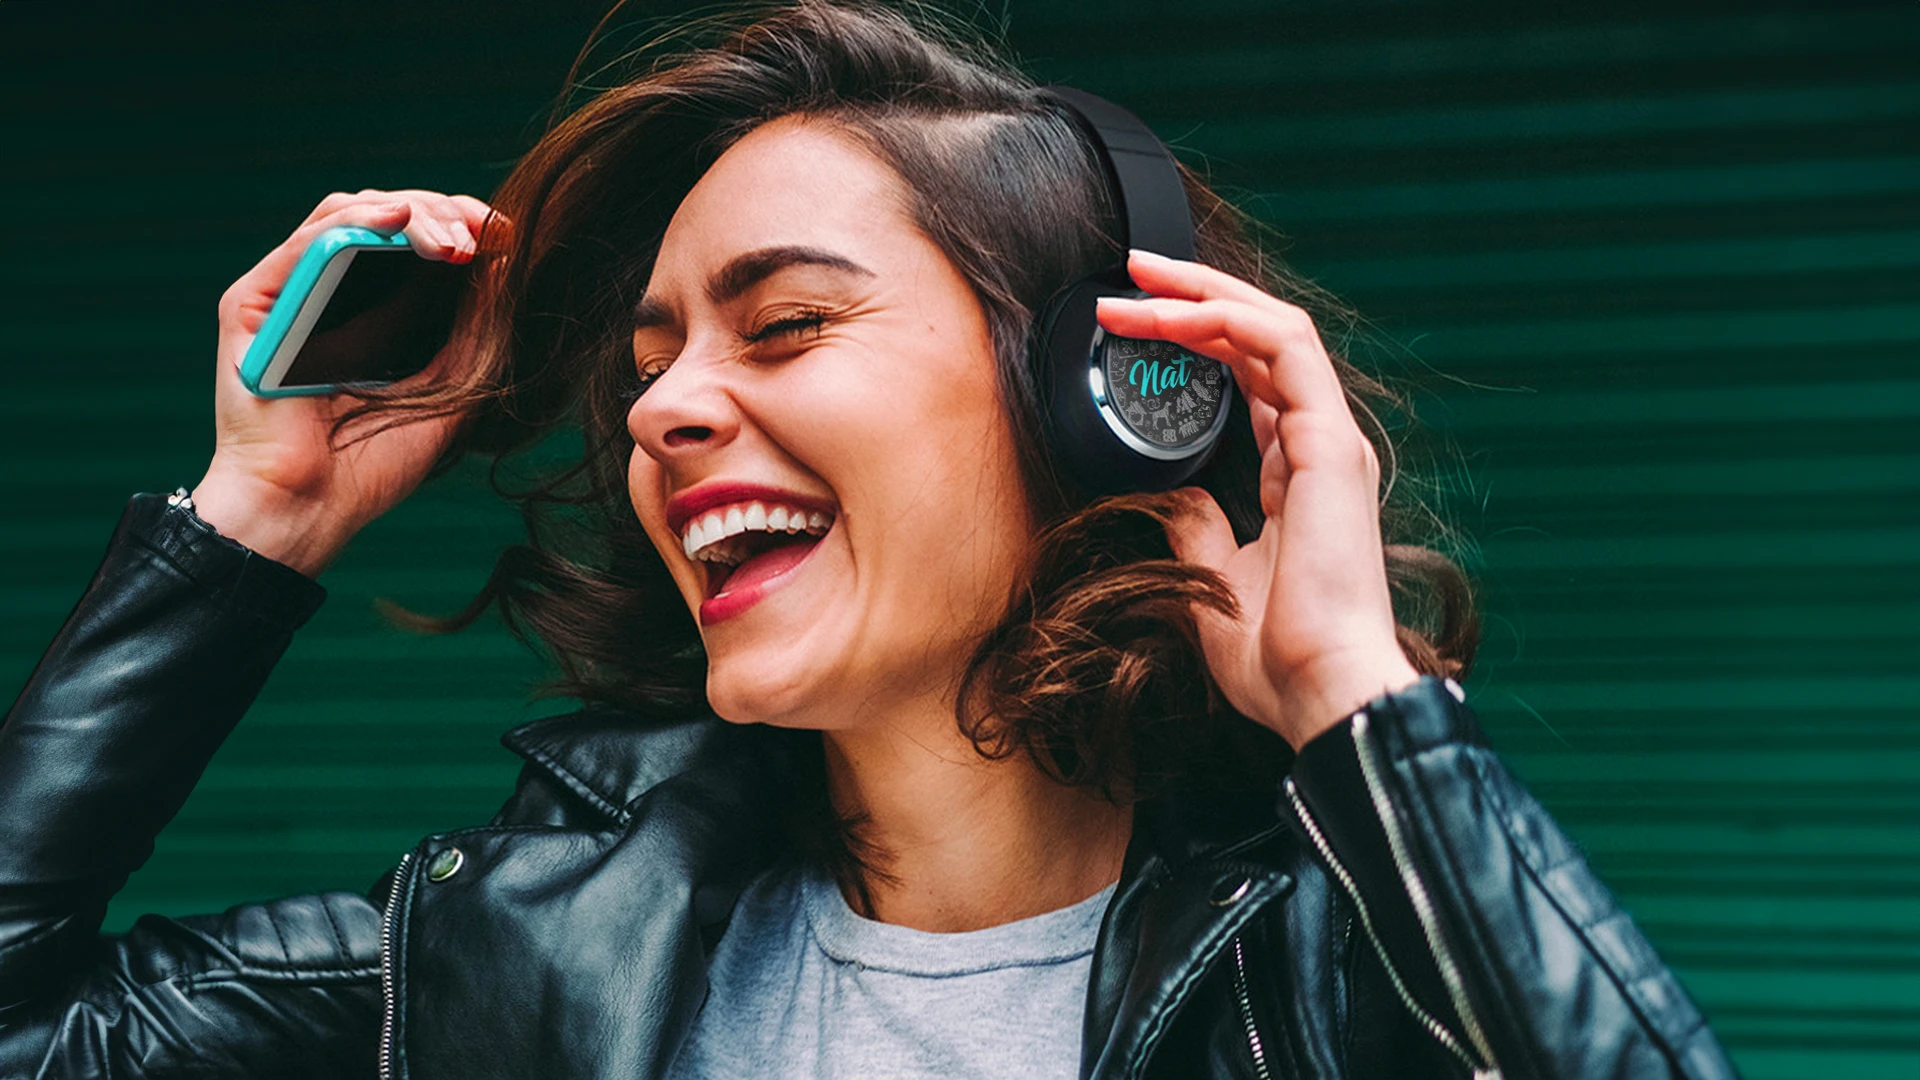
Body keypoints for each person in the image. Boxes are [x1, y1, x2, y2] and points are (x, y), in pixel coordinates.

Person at [0, 3, 1739, 1077]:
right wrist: (256, 522)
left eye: (784, 327)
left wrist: (1358, 702)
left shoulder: (1335, 973)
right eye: (654, 360)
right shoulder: (500, 955)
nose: (666, 412)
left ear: (1110, 394)